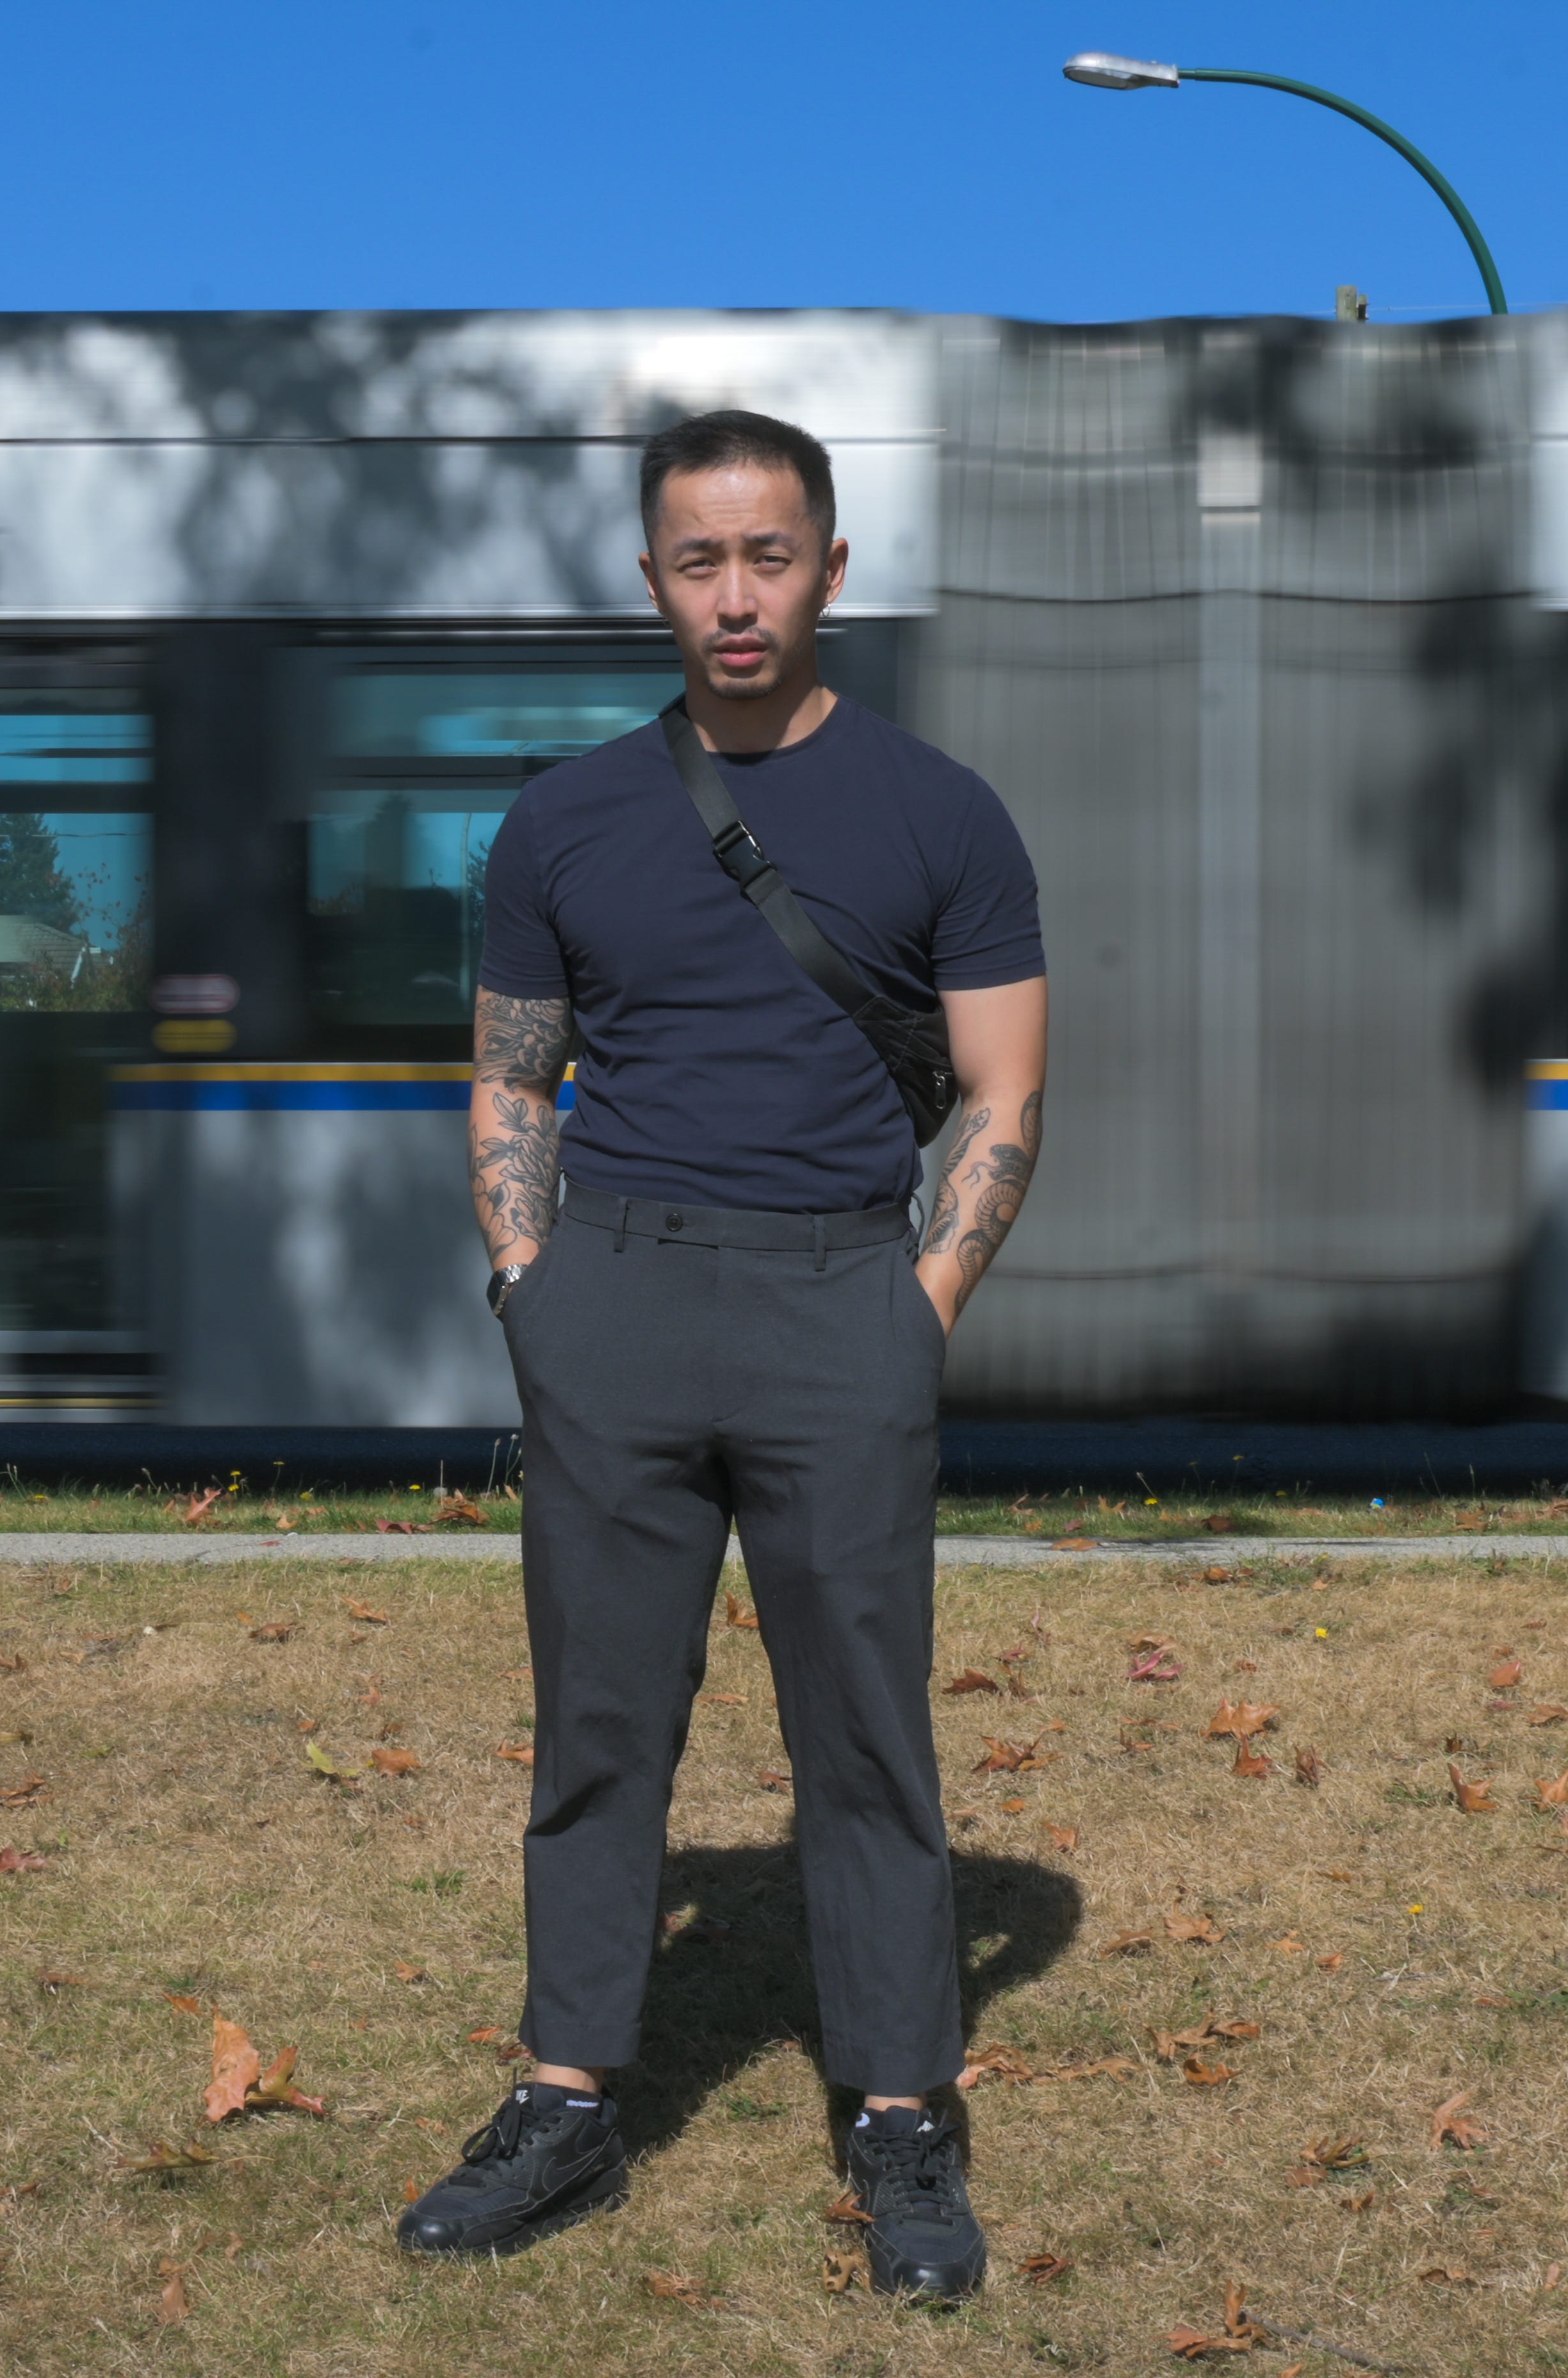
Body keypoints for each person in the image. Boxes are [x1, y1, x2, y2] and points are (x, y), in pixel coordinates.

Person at [398, 409, 1049, 2298]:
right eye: (702, 561)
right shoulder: (563, 816)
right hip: (616, 1296)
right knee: (601, 1730)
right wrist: (539, 1289)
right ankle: (567, 2099)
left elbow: (1004, 1089)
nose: (739, 595)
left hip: (844, 1300)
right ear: (653, 582)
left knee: (866, 1738)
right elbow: (512, 1077)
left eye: (772, 558)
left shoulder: (945, 814)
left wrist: (908, 1317)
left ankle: (904, 2119)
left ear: (833, 573)